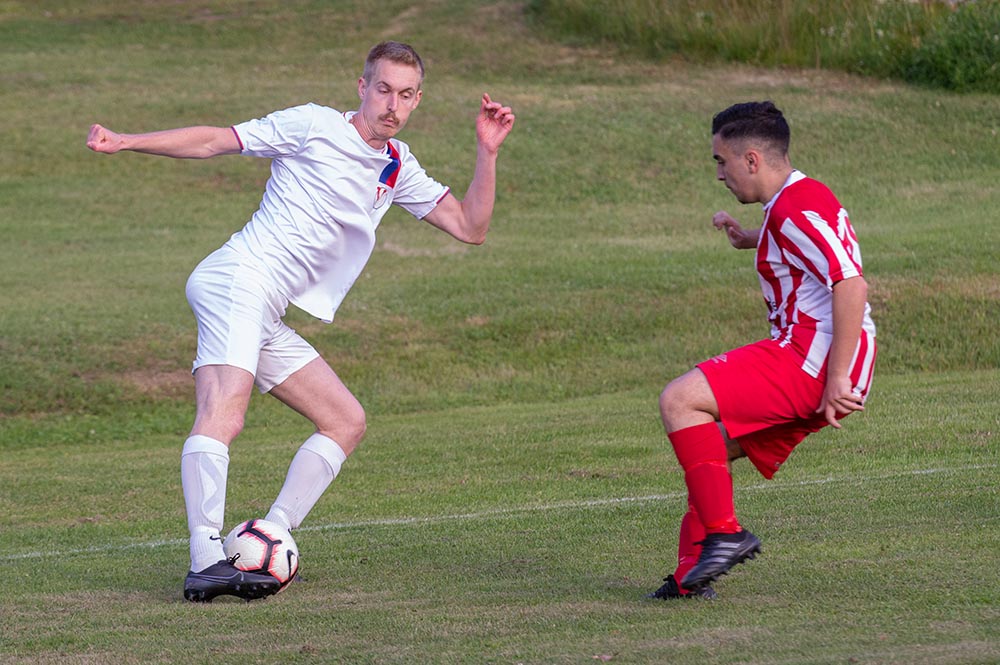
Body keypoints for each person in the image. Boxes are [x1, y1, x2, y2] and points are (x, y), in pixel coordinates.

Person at [86, 41, 515, 602]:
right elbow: (216, 140)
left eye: (406, 95)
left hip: (265, 306)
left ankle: (270, 534)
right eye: (383, 89)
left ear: (417, 100)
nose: (392, 105)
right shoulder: (314, 125)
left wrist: (487, 151)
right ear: (362, 87)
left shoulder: (397, 165)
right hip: (238, 279)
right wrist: (127, 141)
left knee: (345, 420)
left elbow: (470, 227)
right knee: (223, 413)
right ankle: (205, 559)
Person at [648, 101, 876, 601]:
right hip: (828, 359)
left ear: (751, 159)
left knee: (679, 401)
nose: (719, 174)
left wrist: (836, 377)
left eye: (721, 161)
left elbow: (851, 283)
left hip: (814, 357)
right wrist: (750, 238)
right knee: (707, 449)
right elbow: (804, 243)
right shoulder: (798, 198)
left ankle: (726, 535)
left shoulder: (793, 209)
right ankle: (691, 577)